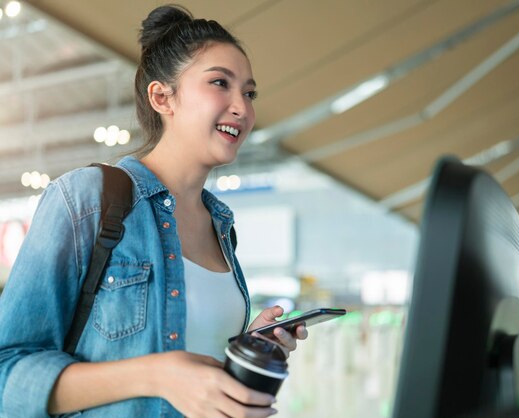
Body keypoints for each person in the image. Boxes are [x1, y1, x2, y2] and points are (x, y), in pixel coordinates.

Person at [0, 5, 306, 418]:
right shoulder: (87, 200)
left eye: (249, 93)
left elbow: (196, 372)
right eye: (220, 83)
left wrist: (247, 348)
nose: (243, 108)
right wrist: (157, 375)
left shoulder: (221, 228)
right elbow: (7, 375)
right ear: (162, 97)